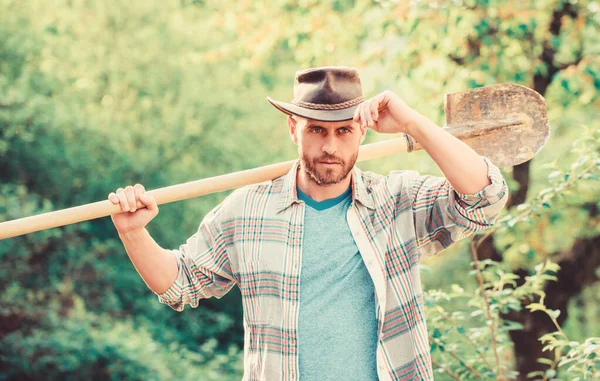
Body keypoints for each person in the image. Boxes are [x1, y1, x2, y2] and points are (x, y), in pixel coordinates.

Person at [108, 66, 509, 381]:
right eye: (316, 130)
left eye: (343, 131)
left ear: (362, 132)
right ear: (292, 129)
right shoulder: (247, 211)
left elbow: (485, 198)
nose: (330, 147)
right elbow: (180, 282)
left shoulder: (396, 200)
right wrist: (132, 232)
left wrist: (414, 124)